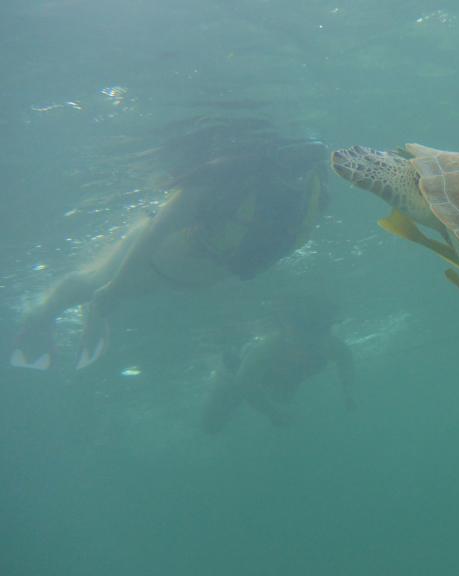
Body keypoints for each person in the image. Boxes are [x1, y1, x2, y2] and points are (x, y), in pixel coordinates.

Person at [11, 119, 329, 370]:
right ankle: (36, 319)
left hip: (185, 276)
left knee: (103, 291)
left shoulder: (309, 197)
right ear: (269, 155)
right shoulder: (224, 179)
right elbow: (155, 231)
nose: (297, 172)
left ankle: (87, 310)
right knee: (90, 282)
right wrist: (114, 288)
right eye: (291, 159)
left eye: (308, 161)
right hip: (154, 263)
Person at [201, 296, 354, 434]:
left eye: (320, 330)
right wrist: (273, 413)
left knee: (284, 399)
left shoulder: (329, 344)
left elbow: (345, 360)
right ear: (289, 329)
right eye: (306, 331)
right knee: (211, 426)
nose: (310, 339)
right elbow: (243, 384)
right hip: (233, 373)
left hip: (278, 381)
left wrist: (348, 393)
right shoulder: (267, 349)